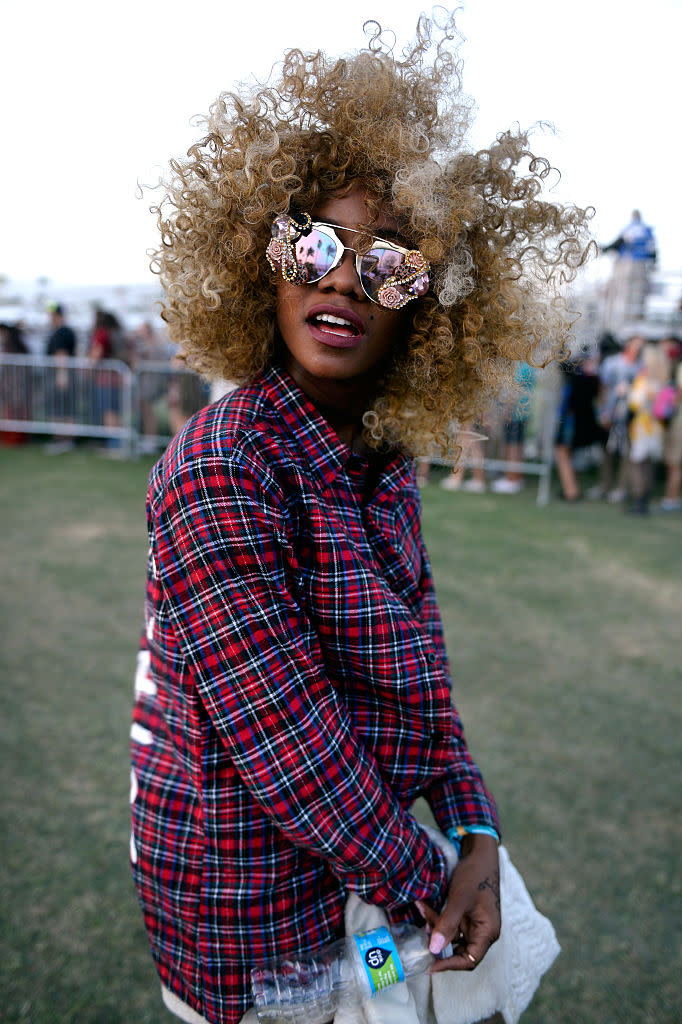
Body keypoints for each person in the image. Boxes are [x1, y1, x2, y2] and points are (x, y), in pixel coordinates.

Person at [129, 15, 591, 1024]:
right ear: (263, 256)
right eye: (315, 243)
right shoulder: (223, 467)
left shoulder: (377, 461)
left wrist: (476, 829)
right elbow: (292, 750)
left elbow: (419, 676)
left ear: (427, 307)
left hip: (364, 901)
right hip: (255, 925)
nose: (344, 275)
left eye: (390, 263)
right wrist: (438, 875)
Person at [601, 210, 657, 329]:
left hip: (629, 264)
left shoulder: (631, 228)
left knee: (625, 294)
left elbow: (619, 242)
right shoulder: (647, 230)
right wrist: (653, 264)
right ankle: (636, 319)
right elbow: (653, 250)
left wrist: (606, 249)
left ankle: (625, 321)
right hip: (643, 266)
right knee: (639, 294)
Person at [44, 302, 77, 453]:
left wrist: (61, 374)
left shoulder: (61, 332)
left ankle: (63, 440)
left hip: (61, 374)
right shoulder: (66, 331)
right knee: (64, 407)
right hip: (64, 374)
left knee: (61, 408)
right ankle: (64, 440)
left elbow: (61, 355)